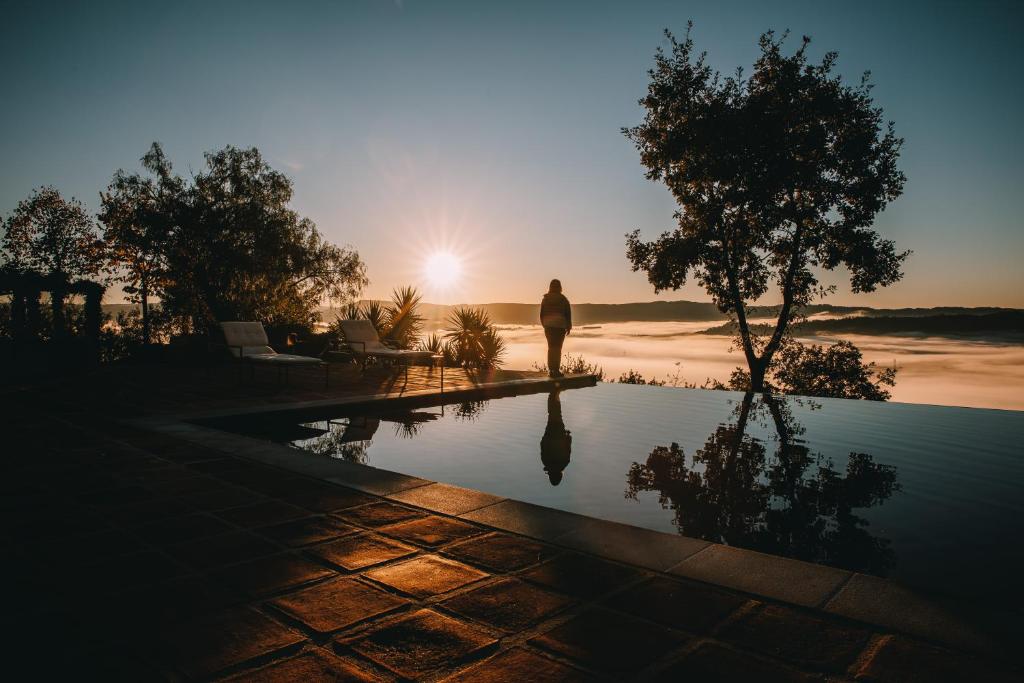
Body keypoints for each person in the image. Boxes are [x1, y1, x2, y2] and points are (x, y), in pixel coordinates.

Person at [540, 278, 572, 378]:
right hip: (560, 327)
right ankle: (556, 370)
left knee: (551, 348)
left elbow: (541, 314)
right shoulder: (563, 299)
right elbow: (568, 314)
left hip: (549, 327)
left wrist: (544, 324)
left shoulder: (545, 299)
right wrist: (569, 326)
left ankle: (551, 371)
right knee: (557, 349)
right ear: (560, 287)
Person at [540, 389, 572, 485]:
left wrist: (568, 435)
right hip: (550, 433)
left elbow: (568, 446)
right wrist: (545, 435)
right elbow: (542, 445)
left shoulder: (565, 462)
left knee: (557, 413)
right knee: (552, 414)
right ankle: (553, 394)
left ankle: (555, 392)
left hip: (559, 433)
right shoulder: (546, 462)